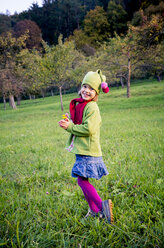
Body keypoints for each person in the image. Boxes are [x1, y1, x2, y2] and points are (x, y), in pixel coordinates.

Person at [58, 69, 114, 224]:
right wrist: (69, 122)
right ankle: (94, 211)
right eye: (84, 86)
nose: (86, 91)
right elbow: (80, 124)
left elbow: (89, 129)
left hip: (89, 150)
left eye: (91, 88)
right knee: (81, 180)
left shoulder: (92, 107)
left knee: (82, 181)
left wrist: (70, 127)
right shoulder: (83, 105)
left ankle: (103, 208)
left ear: (96, 92)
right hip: (82, 149)